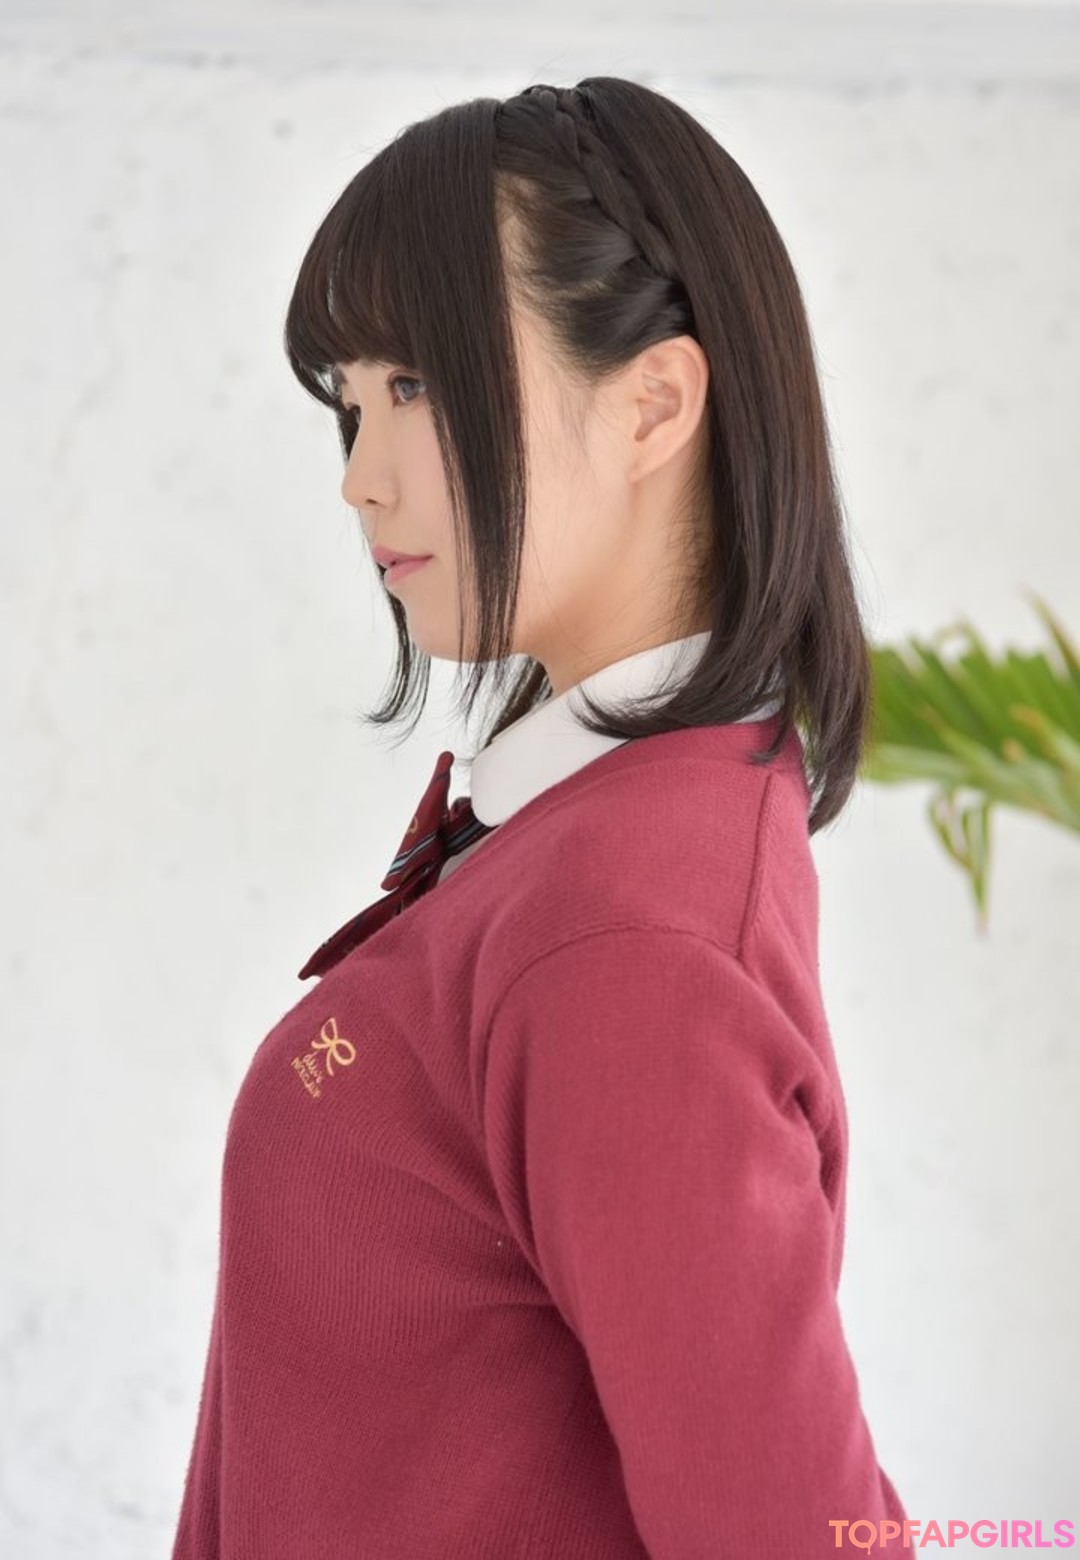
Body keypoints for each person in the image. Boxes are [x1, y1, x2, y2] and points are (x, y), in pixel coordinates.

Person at [170, 76, 913, 1559]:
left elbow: (794, 1533)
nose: (361, 477)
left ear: (653, 405)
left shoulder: (623, 932)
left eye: (421, 386)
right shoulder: (604, 835)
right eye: (353, 401)